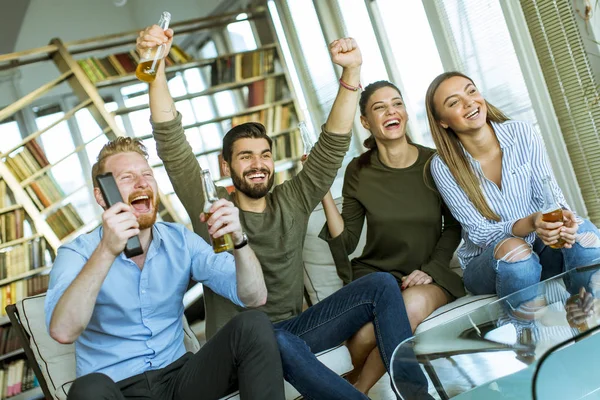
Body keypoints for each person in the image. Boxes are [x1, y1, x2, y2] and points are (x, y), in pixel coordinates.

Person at [139, 25, 423, 400]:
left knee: (382, 285)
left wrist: (351, 73)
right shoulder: (212, 208)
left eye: (265, 155)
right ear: (226, 167)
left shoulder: (292, 199)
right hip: (242, 345)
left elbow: (332, 145)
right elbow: (171, 143)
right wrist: (155, 70)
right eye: (245, 157)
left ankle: (417, 393)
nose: (258, 164)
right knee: (277, 341)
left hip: (296, 327)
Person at [45, 137, 285, 400]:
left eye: (147, 174)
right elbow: (63, 331)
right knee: (87, 389)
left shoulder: (180, 240)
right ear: (102, 195)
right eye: (127, 177)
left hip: (180, 380)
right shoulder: (76, 254)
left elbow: (255, 296)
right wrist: (106, 250)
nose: (142, 183)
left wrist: (239, 240)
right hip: (118, 391)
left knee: (253, 325)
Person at [319, 80, 465, 394]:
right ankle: (342, 390)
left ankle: (355, 391)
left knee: (409, 308)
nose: (391, 111)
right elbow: (344, 243)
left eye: (396, 103)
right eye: (379, 107)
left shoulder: (434, 163)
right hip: (377, 277)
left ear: (405, 112)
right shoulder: (358, 171)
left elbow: (454, 225)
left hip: (430, 275)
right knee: (361, 337)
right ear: (365, 122)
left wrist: (429, 270)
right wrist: (324, 196)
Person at [426, 71, 600, 314]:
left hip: (541, 247)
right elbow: (479, 233)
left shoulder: (522, 133)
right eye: (454, 103)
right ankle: (526, 338)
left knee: (584, 234)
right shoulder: (443, 165)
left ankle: (585, 316)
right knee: (515, 253)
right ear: (443, 121)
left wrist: (562, 222)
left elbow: (551, 197)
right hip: (487, 263)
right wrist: (530, 222)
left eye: (471, 91)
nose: (469, 103)